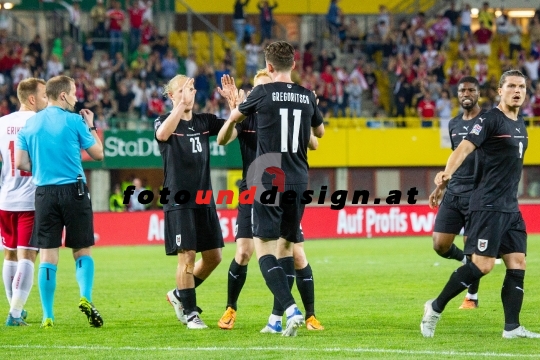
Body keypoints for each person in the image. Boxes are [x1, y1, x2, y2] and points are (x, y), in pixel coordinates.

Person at [422, 70, 540, 339]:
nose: (517, 91)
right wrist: (446, 173)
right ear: (500, 91)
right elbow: (463, 148)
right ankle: (435, 307)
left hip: (510, 207)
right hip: (488, 205)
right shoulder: (489, 120)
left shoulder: (520, 124)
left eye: (521, 86)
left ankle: (512, 327)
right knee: (483, 266)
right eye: (511, 86)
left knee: (517, 262)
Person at [223, 41, 325, 336]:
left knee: (264, 249)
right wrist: (311, 109)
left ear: (268, 67)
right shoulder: (307, 96)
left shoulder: (262, 92)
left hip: (269, 181)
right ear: (294, 64)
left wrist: (236, 108)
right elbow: (319, 133)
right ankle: (279, 317)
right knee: (288, 249)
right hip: (298, 180)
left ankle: (290, 309)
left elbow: (236, 119)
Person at [15, 75, 104, 329]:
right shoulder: (75, 121)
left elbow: (20, 163)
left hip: (44, 194)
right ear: (63, 95)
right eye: (74, 93)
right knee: (82, 250)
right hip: (74, 191)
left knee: (47, 257)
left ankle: (47, 315)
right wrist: (90, 126)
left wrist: (42, 166)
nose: (76, 98)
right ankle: (85, 298)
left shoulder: (30, 125)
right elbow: (98, 154)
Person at [155, 75, 226, 329]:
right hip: (179, 198)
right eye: (184, 89)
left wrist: (235, 106)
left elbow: (231, 129)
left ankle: (178, 295)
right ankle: (190, 312)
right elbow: (163, 135)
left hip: (204, 198)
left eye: (193, 88)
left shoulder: (204, 121)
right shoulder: (164, 121)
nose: (191, 93)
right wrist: (179, 107)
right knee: (186, 256)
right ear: (172, 96)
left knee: (214, 257)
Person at [428, 76, 484, 310]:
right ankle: (463, 260)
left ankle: (471, 297)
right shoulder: (453, 124)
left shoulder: (488, 121)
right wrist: (441, 186)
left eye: (471, 90)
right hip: (453, 191)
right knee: (439, 244)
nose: (466, 94)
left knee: (472, 247)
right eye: (462, 91)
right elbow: (455, 158)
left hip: (477, 192)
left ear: (478, 94)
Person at [1, 78, 48, 326]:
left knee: (9, 255)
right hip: (30, 200)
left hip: (5, 198)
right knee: (28, 255)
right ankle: (15, 314)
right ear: (32, 98)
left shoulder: (2, 123)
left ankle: (14, 308)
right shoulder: (39, 122)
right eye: (43, 95)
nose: (46, 99)